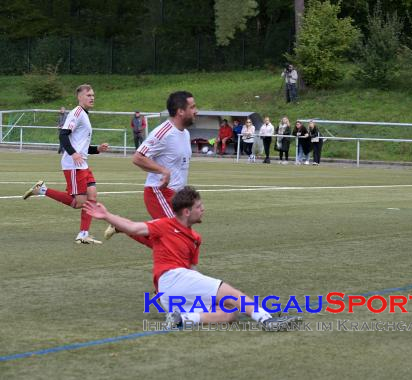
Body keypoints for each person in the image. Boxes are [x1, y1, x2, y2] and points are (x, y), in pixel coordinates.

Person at [83, 186, 301, 331]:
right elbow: (133, 227)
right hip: (172, 279)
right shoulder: (164, 224)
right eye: (199, 207)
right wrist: (106, 215)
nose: (203, 209)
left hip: (172, 291)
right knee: (230, 292)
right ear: (187, 212)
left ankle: (181, 319)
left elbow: (193, 271)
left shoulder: (196, 238)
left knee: (229, 313)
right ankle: (267, 320)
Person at [105, 91, 198, 245]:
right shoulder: (164, 133)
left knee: (169, 242)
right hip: (159, 192)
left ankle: (123, 227)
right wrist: (163, 171)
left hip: (177, 197)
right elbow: (138, 157)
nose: (196, 111)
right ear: (180, 111)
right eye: (192, 107)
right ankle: (125, 227)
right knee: (178, 241)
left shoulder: (186, 134)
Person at [23, 84, 110, 244]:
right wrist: (73, 153)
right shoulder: (76, 113)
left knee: (92, 196)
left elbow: (81, 146)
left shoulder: (85, 114)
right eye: (88, 95)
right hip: (73, 165)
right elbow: (63, 135)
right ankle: (42, 190)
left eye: (93, 95)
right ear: (79, 97)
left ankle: (83, 234)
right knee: (79, 203)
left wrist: (97, 149)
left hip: (82, 163)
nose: (92, 98)